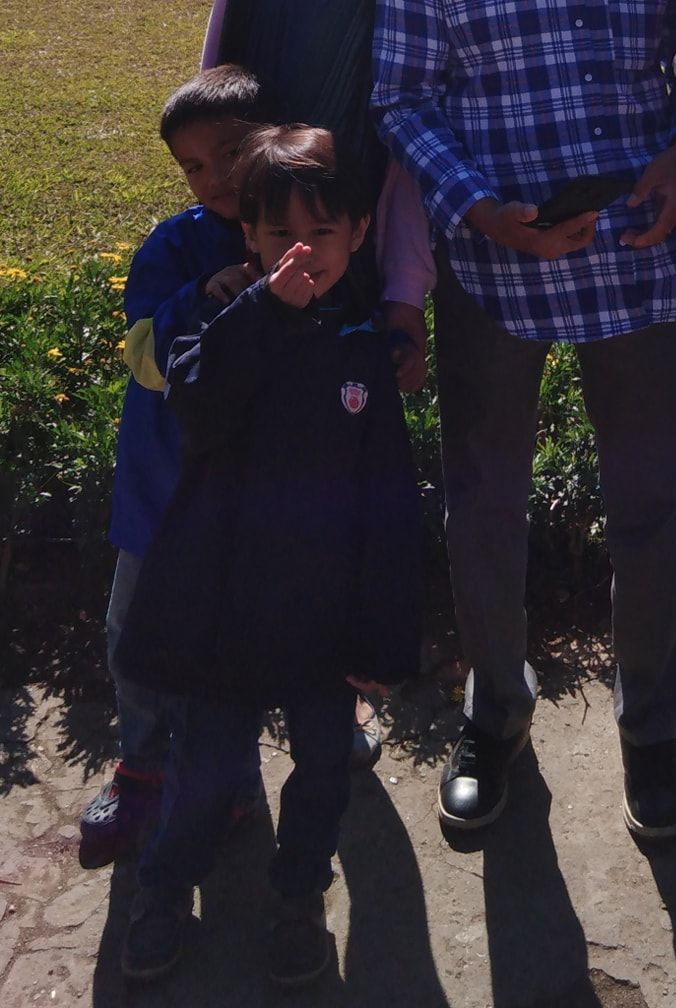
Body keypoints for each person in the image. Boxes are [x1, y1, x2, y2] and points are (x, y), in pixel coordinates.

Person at [373, 0, 676, 839]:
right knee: (485, 501)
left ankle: (650, 729)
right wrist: (483, 209)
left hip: (637, 260)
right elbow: (404, 98)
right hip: (500, 269)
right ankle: (496, 713)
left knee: (654, 505)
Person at [108, 0, 450, 764]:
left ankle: (315, 709)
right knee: (192, 484)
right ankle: (159, 741)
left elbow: (420, 134)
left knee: (317, 501)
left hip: (341, 257)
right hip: (235, 236)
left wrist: (400, 297)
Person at [115, 125, 423, 987]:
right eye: (280, 234)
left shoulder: (360, 351)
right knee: (207, 772)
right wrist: (258, 309)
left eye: (322, 234)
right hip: (224, 615)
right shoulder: (220, 322)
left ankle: (299, 895)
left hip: (323, 624)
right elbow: (199, 406)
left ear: (358, 233)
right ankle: (166, 885)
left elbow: (389, 508)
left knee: (324, 769)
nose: (301, 253)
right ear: (248, 234)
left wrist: (383, 639)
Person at [78, 66, 271, 870]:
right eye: (193, 166)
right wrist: (202, 298)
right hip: (161, 492)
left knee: (237, 641)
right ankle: (142, 767)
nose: (215, 177)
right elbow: (145, 360)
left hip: (249, 503)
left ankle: (231, 775)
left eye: (229, 153)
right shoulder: (172, 245)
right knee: (135, 636)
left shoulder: (298, 234)